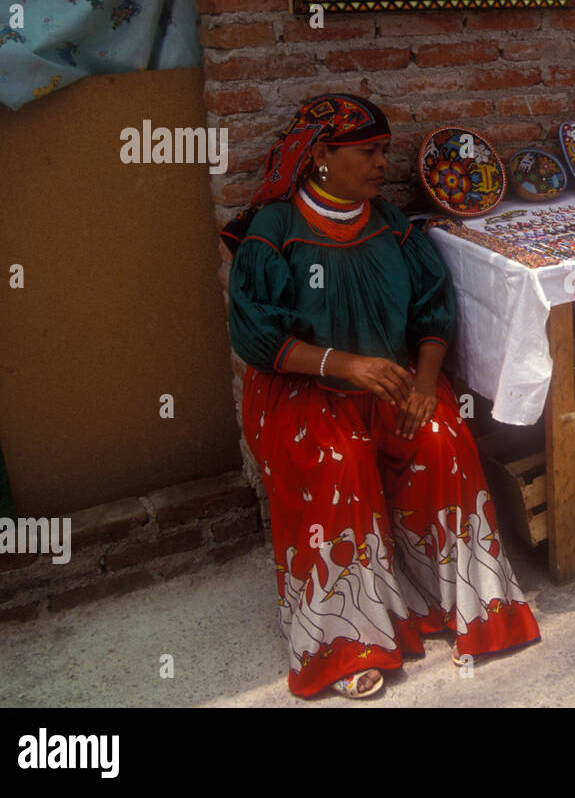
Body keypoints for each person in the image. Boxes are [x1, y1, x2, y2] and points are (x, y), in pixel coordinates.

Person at [222, 94, 540, 699]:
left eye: (383, 152)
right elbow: (255, 337)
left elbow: (431, 312)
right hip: (302, 390)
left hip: (393, 380)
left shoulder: (393, 225)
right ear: (320, 156)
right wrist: (343, 364)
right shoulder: (274, 234)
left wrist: (424, 384)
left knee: (443, 438)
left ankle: (455, 602)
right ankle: (346, 640)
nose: (379, 165)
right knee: (338, 462)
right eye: (366, 152)